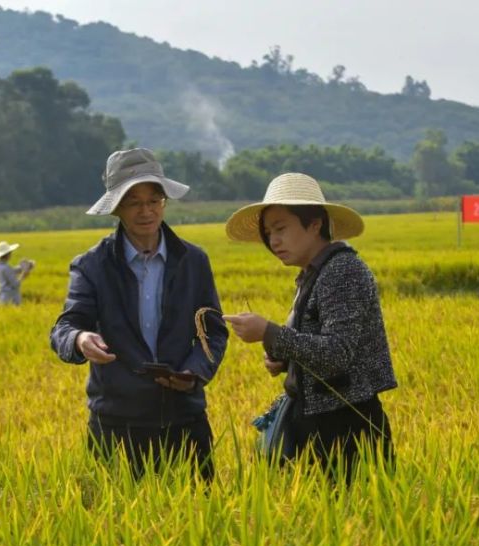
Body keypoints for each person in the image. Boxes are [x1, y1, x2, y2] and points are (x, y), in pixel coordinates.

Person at [50, 148, 228, 481]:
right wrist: (80, 339)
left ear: (164, 202)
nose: (146, 211)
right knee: (118, 524)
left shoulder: (193, 261)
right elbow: (66, 326)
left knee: (200, 522)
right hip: (117, 424)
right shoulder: (91, 266)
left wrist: (192, 373)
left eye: (154, 200)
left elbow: (213, 332)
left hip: (184, 419)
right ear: (116, 207)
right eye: (133, 202)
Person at [222, 172, 397, 482]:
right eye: (268, 232)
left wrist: (268, 333)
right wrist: (283, 359)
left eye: (280, 229)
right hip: (315, 420)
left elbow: (336, 353)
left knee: (355, 520)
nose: (273, 241)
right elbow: (315, 343)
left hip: (346, 427)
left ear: (315, 224)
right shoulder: (312, 274)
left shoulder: (343, 271)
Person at [0, 240, 34, 305]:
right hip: (11, 299)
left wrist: (25, 266)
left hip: (2, 297)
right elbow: (16, 284)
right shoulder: (6, 268)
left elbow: (12, 271)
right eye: (10, 253)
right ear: (7, 254)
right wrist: (23, 275)